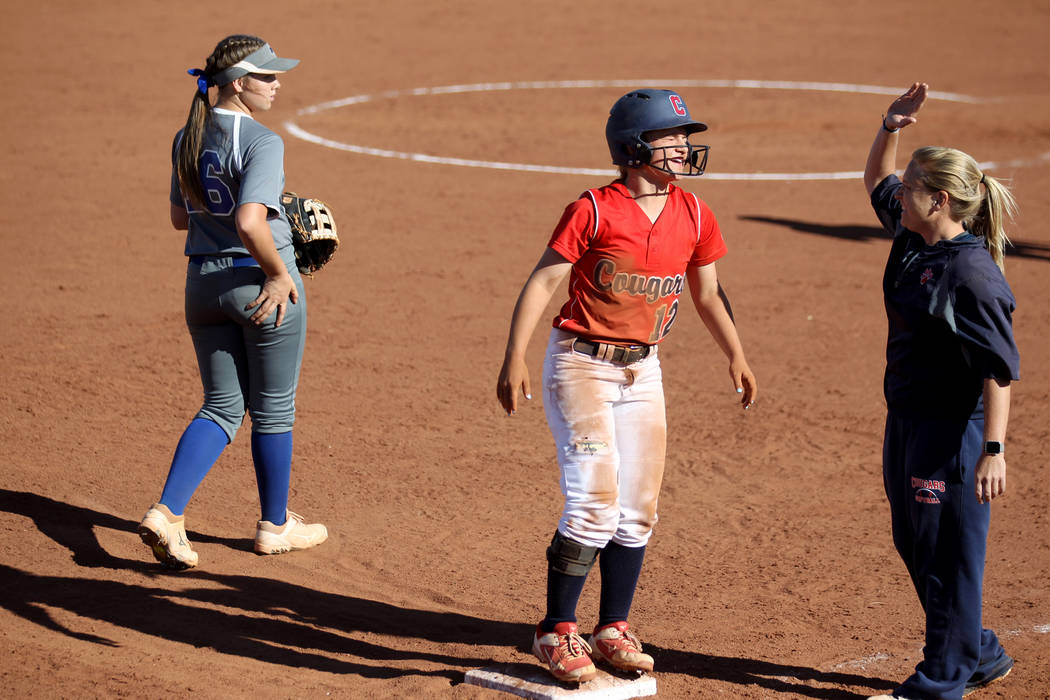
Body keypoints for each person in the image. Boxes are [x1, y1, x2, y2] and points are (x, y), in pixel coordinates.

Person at [496, 89, 757, 683]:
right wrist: (515, 354)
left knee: (638, 510)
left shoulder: (694, 212)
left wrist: (737, 355)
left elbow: (709, 294)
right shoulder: (592, 208)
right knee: (593, 503)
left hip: (645, 371)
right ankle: (555, 631)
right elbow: (545, 281)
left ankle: (612, 627)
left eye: (686, 138)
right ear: (634, 148)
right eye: (671, 138)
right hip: (581, 366)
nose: (684, 147)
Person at [137, 35, 327, 570]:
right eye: (267, 76)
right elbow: (248, 221)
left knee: (222, 406)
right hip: (256, 284)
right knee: (274, 408)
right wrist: (276, 270)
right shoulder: (263, 141)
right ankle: (274, 525)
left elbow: (182, 218)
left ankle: (168, 513)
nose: (277, 83)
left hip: (203, 286)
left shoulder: (187, 136)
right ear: (239, 83)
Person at [863, 83, 1019, 700]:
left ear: (941, 201)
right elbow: (877, 176)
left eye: (910, 190)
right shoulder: (914, 238)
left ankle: (940, 681)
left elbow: (999, 369)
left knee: (946, 552)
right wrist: (891, 125)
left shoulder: (971, 275)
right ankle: (979, 652)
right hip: (906, 418)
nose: (898, 194)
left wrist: (994, 450)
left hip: (953, 431)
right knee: (917, 541)